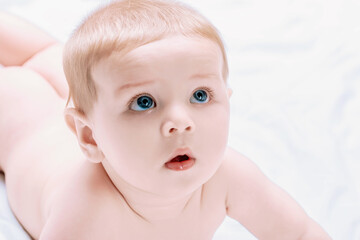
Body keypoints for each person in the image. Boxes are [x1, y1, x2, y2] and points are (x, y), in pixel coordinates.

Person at [0, 0, 331, 239]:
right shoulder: (85, 212)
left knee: (50, 55)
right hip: (23, 121)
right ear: (89, 136)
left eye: (200, 95)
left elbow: (299, 233)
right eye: (144, 103)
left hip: (91, 100)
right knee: (32, 68)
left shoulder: (229, 175)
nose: (181, 122)